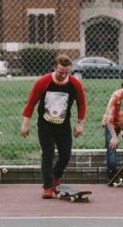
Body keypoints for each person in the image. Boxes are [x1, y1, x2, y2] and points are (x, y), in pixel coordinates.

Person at [20, 54, 87, 199]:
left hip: (63, 125)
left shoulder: (75, 84)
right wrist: (25, 124)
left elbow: (81, 104)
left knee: (65, 155)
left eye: (66, 72)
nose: (63, 75)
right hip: (45, 125)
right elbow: (31, 102)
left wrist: (80, 124)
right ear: (54, 67)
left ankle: (56, 177)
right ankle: (48, 186)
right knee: (48, 154)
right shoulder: (43, 82)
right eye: (60, 72)